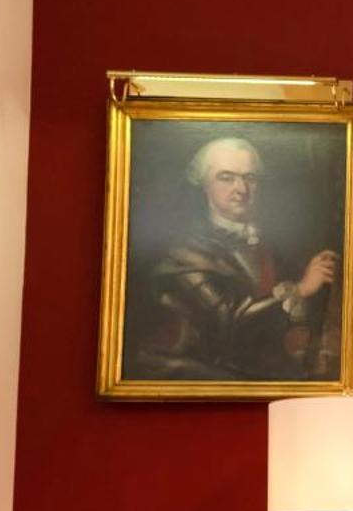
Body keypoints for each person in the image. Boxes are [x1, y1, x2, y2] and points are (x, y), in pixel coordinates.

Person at [125, 135, 340, 381]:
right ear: (204, 184)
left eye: (249, 178)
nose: (241, 189)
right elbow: (230, 322)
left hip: (259, 374)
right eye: (226, 178)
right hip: (197, 376)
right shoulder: (184, 252)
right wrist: (300, 289)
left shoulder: (273, 248)